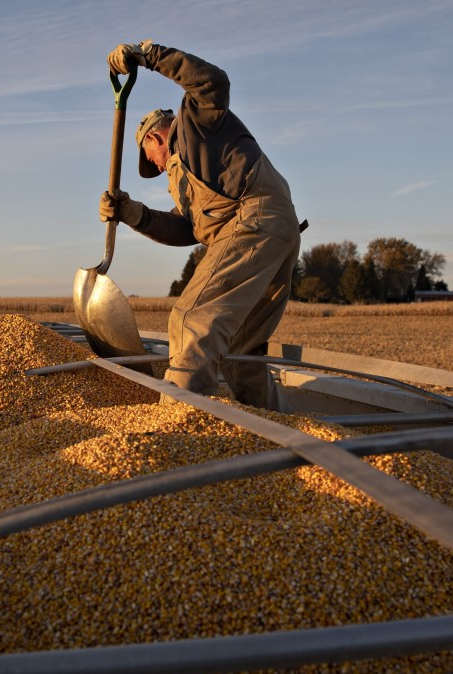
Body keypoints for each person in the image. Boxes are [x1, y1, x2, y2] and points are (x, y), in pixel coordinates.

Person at [99, 41, 306, 412]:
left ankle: (181, 422)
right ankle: (277, 429)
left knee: (191, 318)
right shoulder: (188, 176)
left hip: (254, 220)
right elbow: (188, 230)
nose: (158, 168)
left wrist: (149, 56)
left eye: (152, 160)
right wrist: (131, 213)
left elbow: (213, 82)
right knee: (242, 351)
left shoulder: (195, 124)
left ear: (154, 137)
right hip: (274, 231)